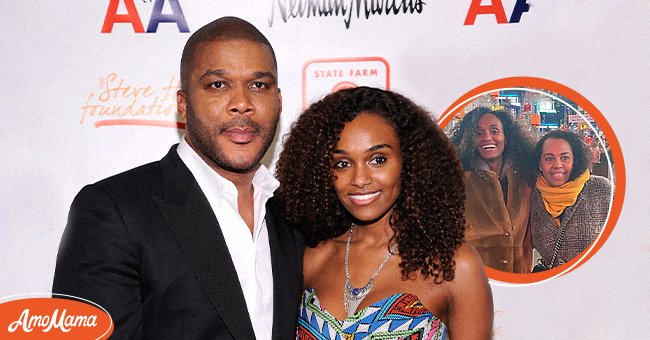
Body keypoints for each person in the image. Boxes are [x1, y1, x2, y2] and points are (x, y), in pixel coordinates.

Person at [53, 17, 303, 339]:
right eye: (218, 85)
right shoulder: (113, 211)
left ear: (278, 101)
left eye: (258, 85)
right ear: (183, 106)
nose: (242, 103)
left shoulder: (292, 219)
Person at [276, 87, 493, 339]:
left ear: (409, 161)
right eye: (342, 164)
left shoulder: (453, 266)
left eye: (377, 159)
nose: (359, 179)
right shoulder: (312, 257)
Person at [450, 107, 538, 273]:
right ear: (471, 141)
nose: (487, 137)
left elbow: (528, 236)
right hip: (475, 279)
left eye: (494, 131)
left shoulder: (526, 178)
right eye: (478, 133)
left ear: (506, 138)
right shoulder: (458, 180)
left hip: (518, 278)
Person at [529, 130, 612, 270]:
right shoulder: (531, 196)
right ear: (539, 164)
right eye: (549, 158)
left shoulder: (602, 189)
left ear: (575, 161)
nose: (557, 164)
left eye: (565, 158)